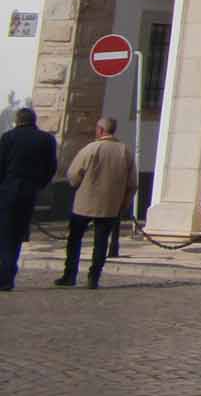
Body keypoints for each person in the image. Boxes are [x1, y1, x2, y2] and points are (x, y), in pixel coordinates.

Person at [56, 116, 134, 289]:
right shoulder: (125, 151)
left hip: (85, 202)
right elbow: (132, 183)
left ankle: (70, 274)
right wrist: (123, 203)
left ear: (100, 130)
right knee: (101, 242)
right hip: (110, 205)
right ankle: (94, 277)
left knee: (75, 239)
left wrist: (76, 184)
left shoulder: (91, 148)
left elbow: (74, 174)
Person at [1, 107, 60, 291]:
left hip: (7, 190)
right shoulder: (46, 139)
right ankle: (8, 274)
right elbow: (51, 167)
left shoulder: (8, 138)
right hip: (29, 191)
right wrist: (39, 184)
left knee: (5, 234)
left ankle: (4, 276)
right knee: (18, 234)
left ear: (18, 120)